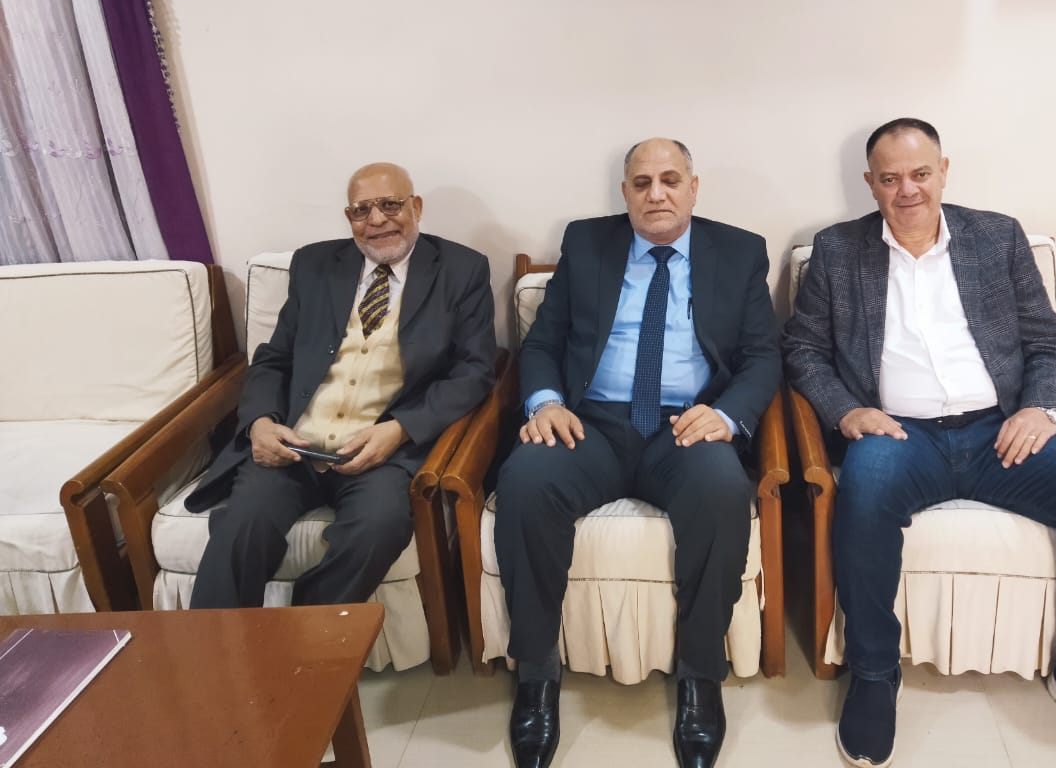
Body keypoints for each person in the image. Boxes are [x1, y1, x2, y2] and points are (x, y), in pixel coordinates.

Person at [782, 119, 1056, 768]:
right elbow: (803, 350)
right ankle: (874, 673)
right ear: (870, 183)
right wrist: (847, 412)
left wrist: (1041, 407)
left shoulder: (996, 237)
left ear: (944, 171)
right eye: (890, 178)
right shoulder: (838, 251)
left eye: (920, 174)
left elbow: (1048, 342)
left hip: (999, 428)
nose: (908, 190)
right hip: (900, 433)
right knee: (863, 492)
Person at [496, 138, 781, 768]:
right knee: (526, 481)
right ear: (624, 192)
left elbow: (763, 356)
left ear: (693, 187)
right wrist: (545, 403)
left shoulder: (739, 251)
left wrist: (726, 415)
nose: (657, 194)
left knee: (722, 490)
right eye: (642, 183)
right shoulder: (587, 243)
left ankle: (700, 677)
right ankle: (536, 675)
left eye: (670, 180)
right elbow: (542, 343)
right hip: (590, 423)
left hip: (685, 425)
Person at [186, 161, 495, 611]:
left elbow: (474, 371)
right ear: (348, 217)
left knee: (378, 528)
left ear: (417, 207)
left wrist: (400, 430)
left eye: (390, 205)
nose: (377, 220)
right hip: (294, 445)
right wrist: (260, 423)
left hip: (381, 452)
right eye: (361, 210)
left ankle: (307, 635)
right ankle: (215, 647)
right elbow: (274, 358)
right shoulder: (313, 265)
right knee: (240, 528)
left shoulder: (462, 269)